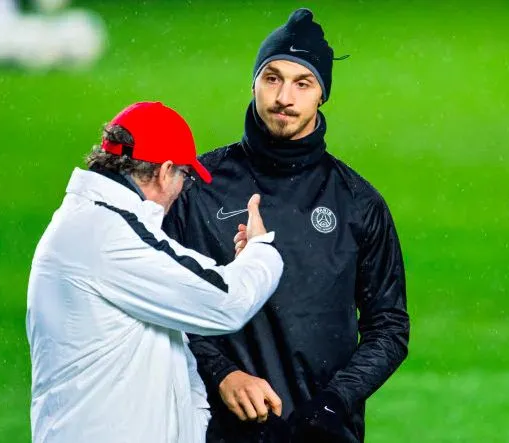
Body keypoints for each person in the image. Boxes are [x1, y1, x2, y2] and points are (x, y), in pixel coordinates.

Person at [163, 8, 410, 443]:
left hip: (323, 432)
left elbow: (389, 327)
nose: (283, 97)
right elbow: (162, 303)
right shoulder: (196, 188)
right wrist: (222, 373)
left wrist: (333, 402)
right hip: (216, 430)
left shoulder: (357, 203)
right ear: (253, 83)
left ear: (322, 95)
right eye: (272, 78)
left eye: (303, 83)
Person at [26, 101, 284, 443]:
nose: (181, 191)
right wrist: (261, 250)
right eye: (185, 178)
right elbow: (229, 301)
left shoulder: (85, 222)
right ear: (165, 172)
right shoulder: (112, 236)